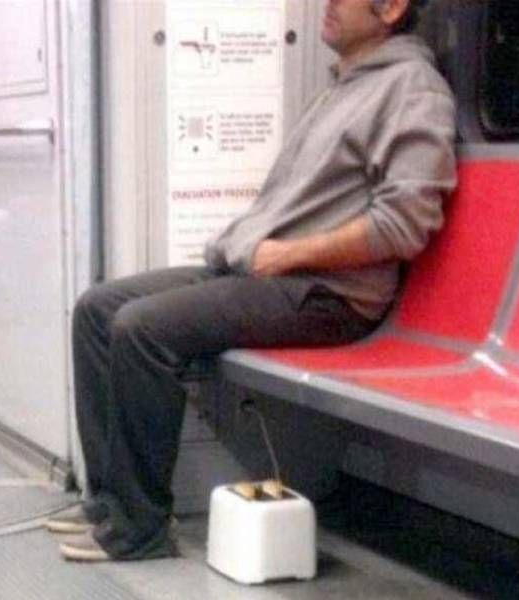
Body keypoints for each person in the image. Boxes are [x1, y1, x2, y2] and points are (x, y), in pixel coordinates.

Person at [47, 0, 456, 562]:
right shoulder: (346, 86)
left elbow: (404, 224)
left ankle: (139, 529)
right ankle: (110, 505)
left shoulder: (413, 89)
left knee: (141, 329)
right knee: (97, 309)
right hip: (272, 272)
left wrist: (290, 253)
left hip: (330, 295)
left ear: (390, 8)